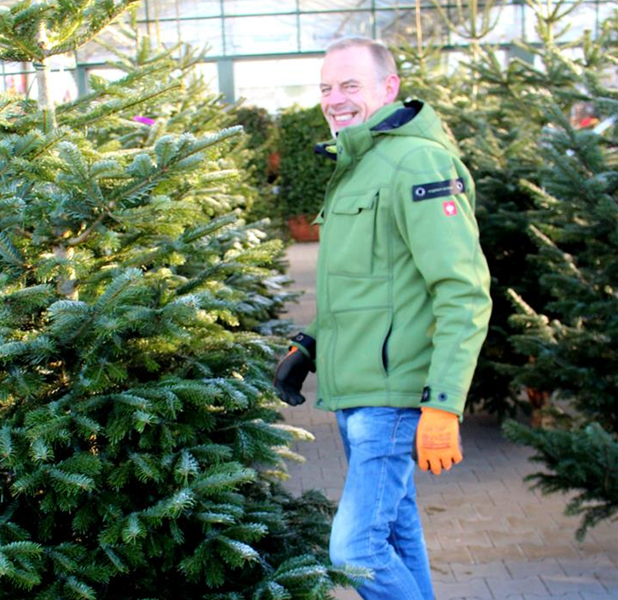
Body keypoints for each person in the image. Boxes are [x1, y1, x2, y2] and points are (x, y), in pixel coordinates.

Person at [273, 37, 492, 600]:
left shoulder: (416, 162)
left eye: (350, 85)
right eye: (326, 87)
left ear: (389, 87)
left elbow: (463, 291)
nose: (335, 99)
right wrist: (310, 345)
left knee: (355, 550)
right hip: (357, 391)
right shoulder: (359, 163)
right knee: (396, 532)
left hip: (393, 399)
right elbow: (368, 285)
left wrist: (443, 404)